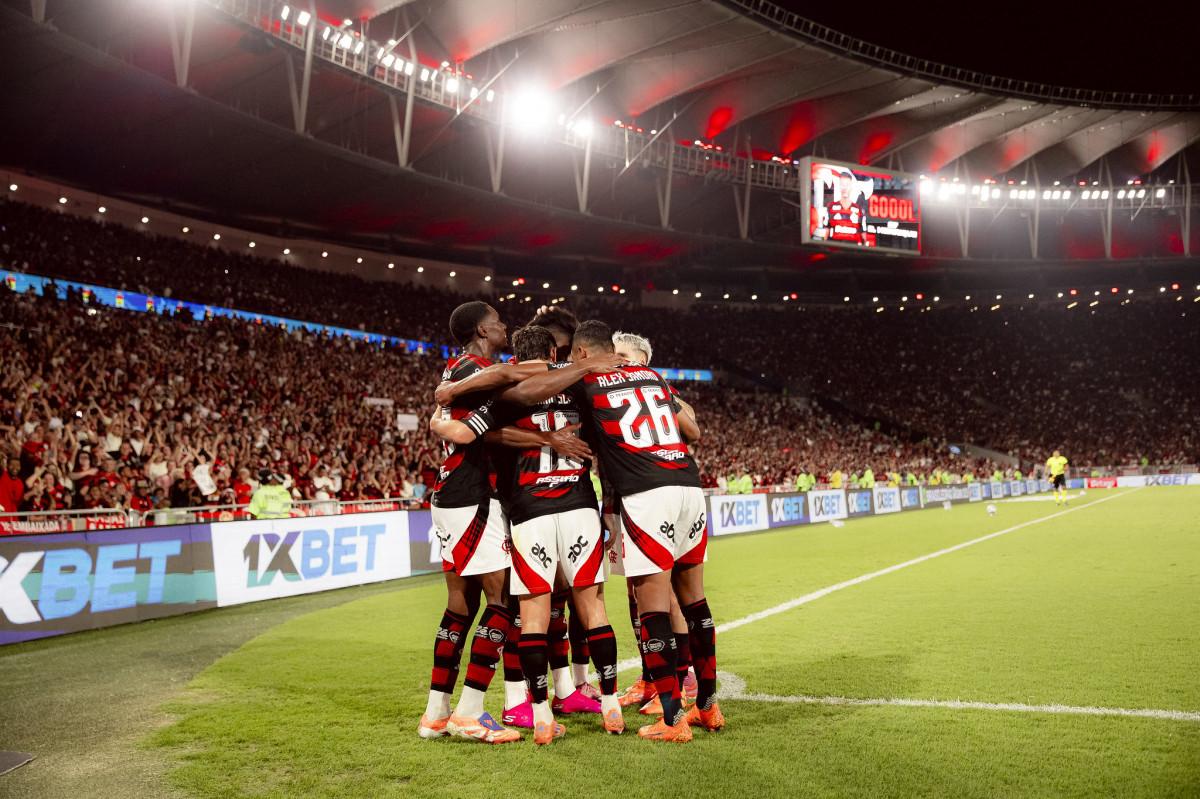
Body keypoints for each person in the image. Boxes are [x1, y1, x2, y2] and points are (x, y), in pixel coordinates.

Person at [499, 320, 722, 743]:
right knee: (695, 600)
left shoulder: (588, 381)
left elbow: (523, 394)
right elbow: (692, 430)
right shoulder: (653, 376)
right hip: (689, 486)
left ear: (581, 353)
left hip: (644, 493)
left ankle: (672, 719)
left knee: (651, 603)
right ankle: (707, 706)